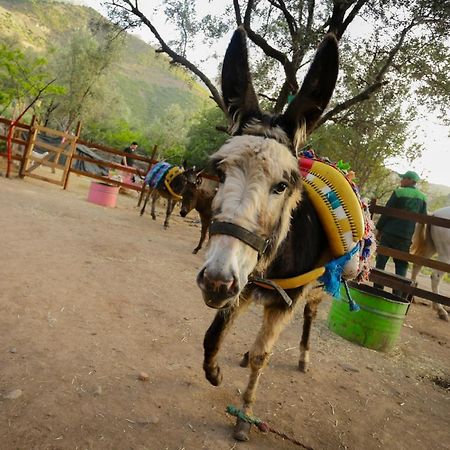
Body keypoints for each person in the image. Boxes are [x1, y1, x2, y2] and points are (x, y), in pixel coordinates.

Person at [374, 170, 427, 294]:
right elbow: (423, 217)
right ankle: (397, 294)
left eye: (403, 178)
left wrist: (379, 228)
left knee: (381, 260)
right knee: (401, 264)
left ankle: (377, 290)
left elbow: (387, 212)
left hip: (389, 233)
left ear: (409, 180)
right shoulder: (423, 197)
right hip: (406, 236)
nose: (401, 180)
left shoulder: (398, 192)